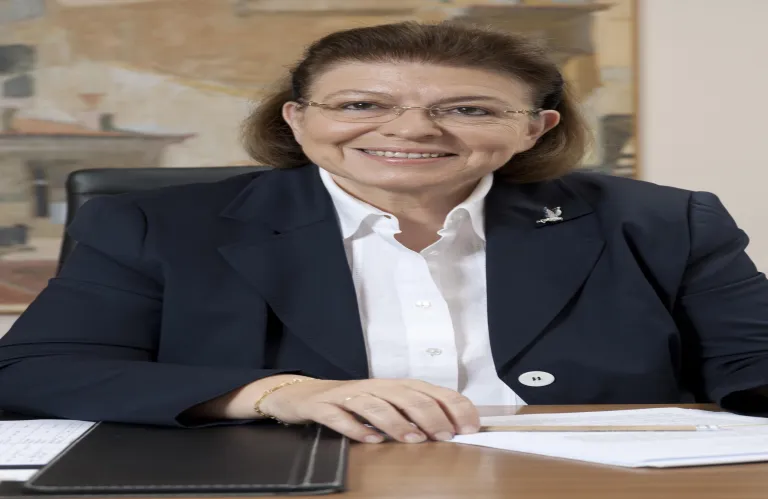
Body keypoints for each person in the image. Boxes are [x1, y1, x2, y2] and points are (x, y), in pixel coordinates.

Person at [1, 22, 767, 445]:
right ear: (298, 120)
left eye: (468, 109)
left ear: (534, 129)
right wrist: (279, 392)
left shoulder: (662, 221)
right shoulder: (157, 225)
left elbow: (751, 360)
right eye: (360, 105)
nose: (411, 130)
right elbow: (33, 371)